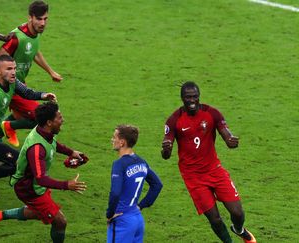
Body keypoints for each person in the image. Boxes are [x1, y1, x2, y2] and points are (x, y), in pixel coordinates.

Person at [161, 81, 256, 243]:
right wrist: (166, 149)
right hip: (193, 177)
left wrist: (230, 141)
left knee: (238, 213)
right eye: (188, 97)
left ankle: (238, 229)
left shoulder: (212, 113)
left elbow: (226, 134)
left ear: (199, 97)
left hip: (214, 170)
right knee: (215, 219)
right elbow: (166, 153)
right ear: (182, 98)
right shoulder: (174, 120)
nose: (192, 101)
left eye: (195, 97)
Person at [0, 101, 88, 243]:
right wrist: (66, 185)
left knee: (42, 213)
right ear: (49, 122)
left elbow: (53, 143)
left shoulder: (46, 131)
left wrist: (71, 152)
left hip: (34, 185)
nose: (62, 120)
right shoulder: (36, 148)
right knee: (60, 222)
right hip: (29, 188)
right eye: (59, 117)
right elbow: (41, 179)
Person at [0, 54, 57, 200]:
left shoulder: (12, 82)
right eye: (9, 69)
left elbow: (26, 92)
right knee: (20, 162)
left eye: (14, 68)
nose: (14, 72)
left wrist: (43, 95)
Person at [0, 0, 62, 147]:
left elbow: (34, 52)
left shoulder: (34, 34)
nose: (43, 23)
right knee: (40, 117)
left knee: (22, 116)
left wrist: (51, 72)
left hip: (20, 84)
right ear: (30, 17)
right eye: (39, 19)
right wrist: (11, 82)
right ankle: (6, 129)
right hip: (12, 86)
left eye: (45, 19)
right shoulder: (17, 37)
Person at [106, 125, 163, 243]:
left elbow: (115, 192)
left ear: (122, 142)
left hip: (122, 220)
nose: (112, 140)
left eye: (114, 137)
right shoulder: (142, 162)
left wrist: (110, 214)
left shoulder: (119, 164)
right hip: (137, 220)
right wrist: (141, 205)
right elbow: (157, 185)